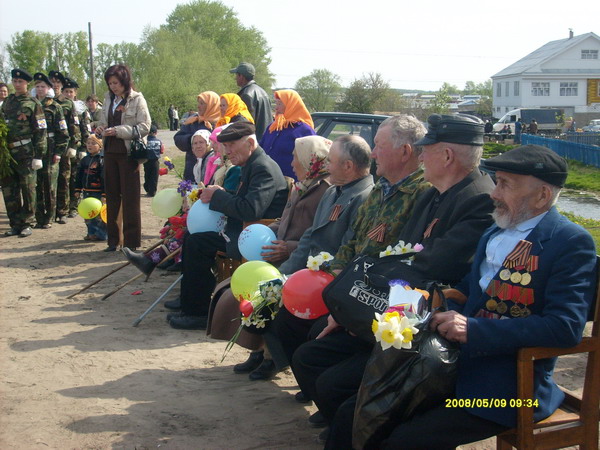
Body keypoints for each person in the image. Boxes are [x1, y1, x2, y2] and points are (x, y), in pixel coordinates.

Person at [376, 145, 597, 449]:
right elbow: (469, 289)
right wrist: (427, 311)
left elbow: (565, 327)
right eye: (497, 182)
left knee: (404, 440)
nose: (493, 193)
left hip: (505, 391)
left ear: (542, 195)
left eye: (505, 184)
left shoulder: (569, 241)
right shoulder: (496, 230)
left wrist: (473, 329)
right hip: (455, 368)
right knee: (371, 415)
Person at [296, 114, 497, 446]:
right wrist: (358, 305)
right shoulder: (432, 194)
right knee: (312, 354)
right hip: (401, 310)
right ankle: (355, 429)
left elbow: (432, 265)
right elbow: (398, 255)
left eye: (425, 150)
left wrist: (370, 301)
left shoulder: (477, 199)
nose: (420, 157)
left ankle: (360, 431)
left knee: (337, 389)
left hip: (428, 330)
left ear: (446, 156)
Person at [207, 135, 340, 379]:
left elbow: (318, 236)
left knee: (266, 293)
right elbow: (285, 218)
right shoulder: (303, 184)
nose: (291, 163)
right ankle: (257, 349)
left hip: (301, 261)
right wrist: (270, 230)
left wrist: (288, 248)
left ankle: (272, 357)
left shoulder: (326, 191)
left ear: (311, 160)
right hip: (277, 252)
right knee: (235, 291)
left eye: (295, 157)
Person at [167, 122, 289, 331]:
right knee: (192, 238)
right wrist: (222, 193)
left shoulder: (262, 168)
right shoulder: (252, 164)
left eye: (231, 145)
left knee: (197, 243)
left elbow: (252, 209)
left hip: (253, 238)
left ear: (250, 143)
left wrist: (219, 196)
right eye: (225, 146)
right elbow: (245, 201)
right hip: (241, 231)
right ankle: (190, 300)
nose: (227, 151)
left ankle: (198, 312)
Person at [95, 64, 151, 252]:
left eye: (116, 83)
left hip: (128, 154)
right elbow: (103, 121)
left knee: (130, 198)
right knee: (111, 197)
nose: (113, 87)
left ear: (124, 81)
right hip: (110, 151)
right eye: (110, 83)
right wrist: (100, 128)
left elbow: (145, 126)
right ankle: (113, 240)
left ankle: (131, 242)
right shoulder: (108, 99)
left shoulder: (137, 99)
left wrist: (119, 131)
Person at [1, 69, 47, 237]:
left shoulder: (33, 103)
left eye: (20, 81)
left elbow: (41, 130)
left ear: (27, 83)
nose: (17, 84)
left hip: (25, 151)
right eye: (15, 81)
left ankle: (27, 222)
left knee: (28, 188)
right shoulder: (8, 102)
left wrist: (38, 155)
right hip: (8, 152)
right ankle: (15, 223)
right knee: (9, 189)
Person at [32, 72, 69, 229]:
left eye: (43, 86)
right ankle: (39, 217)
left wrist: (59, 152)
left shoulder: (55, 107)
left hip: (51, 149)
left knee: (50, 185)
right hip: (34, 150)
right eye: (38, 86)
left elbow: (64, 133)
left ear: (48, 89)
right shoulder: (31, 104)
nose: (40, 89)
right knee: (36, 185)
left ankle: (49, 217)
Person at [260, 90, 316, 180]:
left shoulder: (303, 130)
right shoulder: (273, 127)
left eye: (280, 104)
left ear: (291, 105)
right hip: (267, 179)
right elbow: (261, 148)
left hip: (291, 183)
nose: (276, 108)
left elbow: (312, 158)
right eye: (276, 104)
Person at [49, 70, 80, 225]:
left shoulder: (67, 103)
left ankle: (63, 210)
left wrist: (74, 145)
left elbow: (74, 126)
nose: (55, 85)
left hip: (64, 146)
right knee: (47, 180)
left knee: (64, 178)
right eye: (52, 82)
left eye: (57, 82)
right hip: (47, 147)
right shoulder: (43, 102)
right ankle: (50, 211)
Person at [62, 77, 92, 218]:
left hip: (77, 148)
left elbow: (86, 130)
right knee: (64, 178)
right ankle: (63, 206)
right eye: (66, 91)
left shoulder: (81, 109)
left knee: (75, 177)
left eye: (71, 92)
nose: (68, 94)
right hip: (63, 147)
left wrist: (84, 149)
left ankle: (73, 206)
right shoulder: (59, 107)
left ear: (75, 93)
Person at [174, 91, 220, 181]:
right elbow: (178, 138)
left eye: (202, 103)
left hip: (212, 167)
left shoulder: (220, 122)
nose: (198, 106)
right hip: (192, 166)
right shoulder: (193, 120)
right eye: (198, 103)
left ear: (212, 104)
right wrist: (193, 140)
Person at [74, 135, 106, 241]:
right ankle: (91, 233)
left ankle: (100, 235)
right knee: (88, 215)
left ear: (100, 146)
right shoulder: (85, 160)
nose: (90, 145)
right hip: (87, 192)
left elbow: (104, 178)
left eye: (93, 143)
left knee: (99, 216)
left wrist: (104, 194)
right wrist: (78, 189)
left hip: (98, 193)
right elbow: (79, 176)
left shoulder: (102, 160)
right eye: (88, 143)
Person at [230, 62, 272, 140]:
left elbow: (246, 124)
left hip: (254, 141)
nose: (235, 78)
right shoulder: (263, 92)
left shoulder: (246, 95)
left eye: (236, 75)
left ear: (241, 76)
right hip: (265, 140)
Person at [143, 124, 163, 197]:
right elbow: (162, 150)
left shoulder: (145, 141)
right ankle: (152, 191)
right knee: (154, 177)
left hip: (146, 161)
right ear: (156, 133)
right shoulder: (158, 141)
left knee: (147, 175)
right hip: (155, 161)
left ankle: (147, 188)